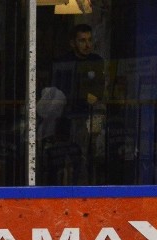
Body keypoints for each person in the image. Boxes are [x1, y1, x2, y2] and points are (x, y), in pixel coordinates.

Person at [51, 23, 107, 183]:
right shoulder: (63, 62)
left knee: (88, 155)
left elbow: (99, 91)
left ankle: (86, 188)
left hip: (89, 117)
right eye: (82, 40)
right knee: (65, 158)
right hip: (66, 118)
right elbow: (58, 91)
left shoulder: (97, 61)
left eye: (89, 40)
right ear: (73, 43)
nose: (87, 44)